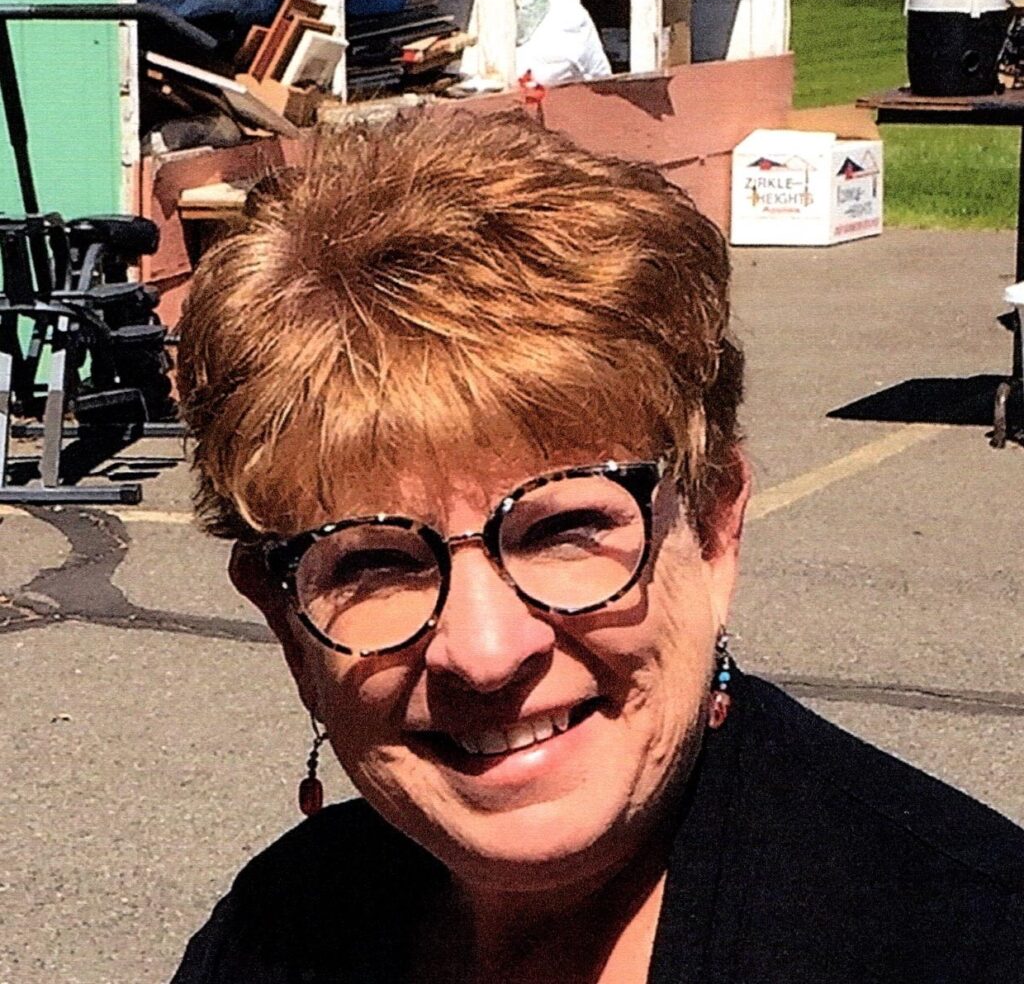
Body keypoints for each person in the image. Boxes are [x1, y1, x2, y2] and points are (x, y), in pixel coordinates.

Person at [171, 112, 1023, 984]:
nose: (486, 654)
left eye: (563, 529)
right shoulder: (280, 929)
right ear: (285, 623)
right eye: (374, 563)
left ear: (714, 528)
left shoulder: (967, 944)